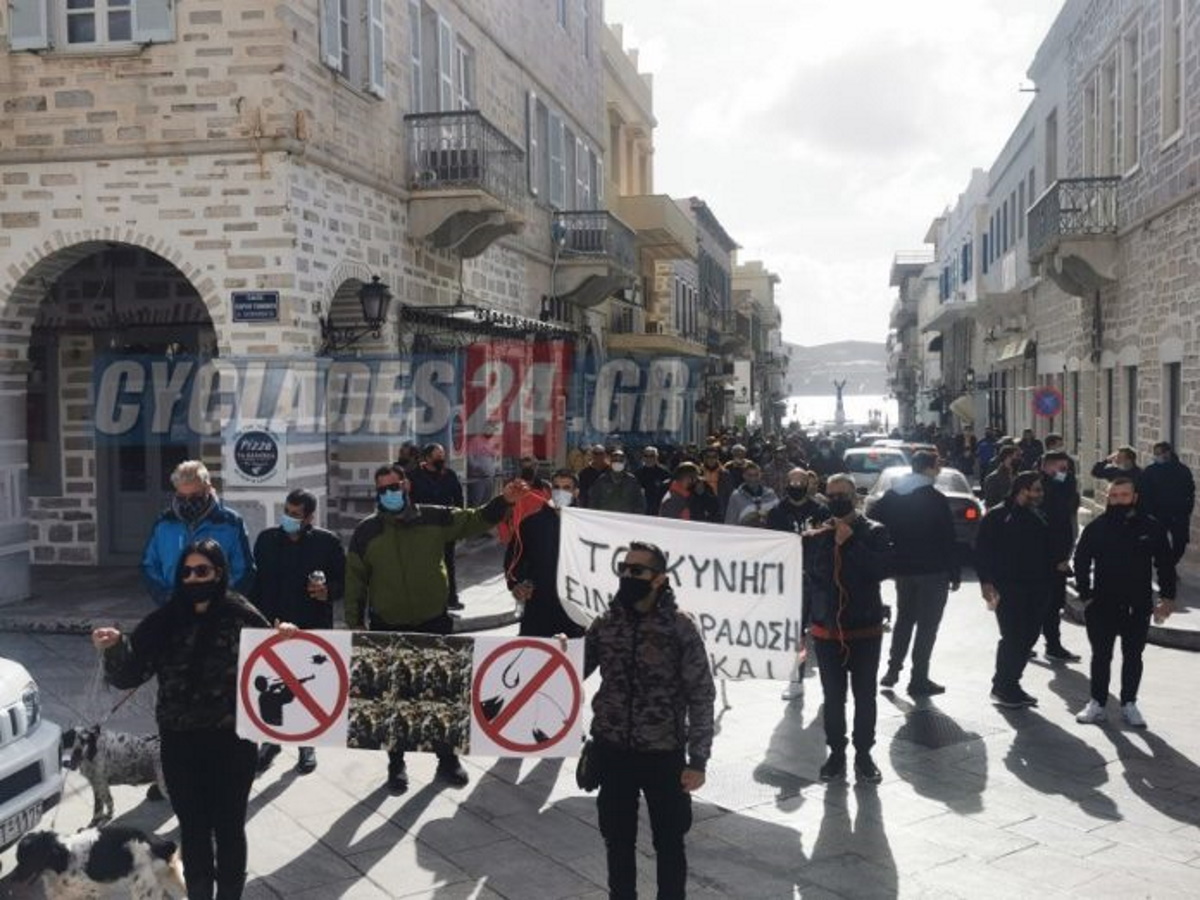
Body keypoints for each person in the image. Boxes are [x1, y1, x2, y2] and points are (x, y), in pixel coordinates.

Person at [93, 539, 284, 900]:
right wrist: (116, 646)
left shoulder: (240, 614)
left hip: (232, 741)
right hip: (180, 743)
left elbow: (279, 660)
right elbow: (129, 676)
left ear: (219, 573)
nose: (194, 578)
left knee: (229, 828)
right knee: (193, 829)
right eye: (187, 572)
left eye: (202, 571)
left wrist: (286, 634)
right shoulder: (165, 621)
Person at [345, 464, 525, 793]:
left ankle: (448, 760)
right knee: (393, 699)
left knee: (442, 694)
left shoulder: (433, 517)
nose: (389, 493)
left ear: (406, 485)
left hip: (433, 619)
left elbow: (474, 519)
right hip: (389, 625)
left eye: (394, 486)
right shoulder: (366, 532)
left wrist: (505, 501)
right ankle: (396, 765)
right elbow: (355, 579)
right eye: (382, 489)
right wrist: (355, 622)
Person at [584, 542, 715, 900]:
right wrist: (560, 650)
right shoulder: (606, 623)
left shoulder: (680, 627)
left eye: (637, 571)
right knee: (617, 841)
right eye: (624, 569)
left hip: (664, 754)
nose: (628, 576)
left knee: (670, 844)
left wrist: (698, 760)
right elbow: (572, 670)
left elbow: (701, 694)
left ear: (659, 580)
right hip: (613, 753)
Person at [249, 488, 346, 776]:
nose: (289, 518)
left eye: (295, 514)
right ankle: (270, 743)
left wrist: (327, 592)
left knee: (306, 689)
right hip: (272, 625)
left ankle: (307, 745)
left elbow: (343, 584)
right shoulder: (267, 540)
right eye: (287, 512)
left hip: (310, 625)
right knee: (270, 686)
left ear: (309, 517)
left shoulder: (327, 543)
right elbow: (258, 583)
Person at [804, 474, 893, 783]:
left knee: (865, 696)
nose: (837, 498)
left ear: (855, 497)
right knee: (833, 697)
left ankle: (864, 754)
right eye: (832, 494)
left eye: (843, 493)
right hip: (826, 632)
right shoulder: (817, 535)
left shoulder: (874, 531)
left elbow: (881, 569)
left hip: (864, 629)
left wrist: (850, 541)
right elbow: (810, 581)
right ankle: (836, 753)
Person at [1073, 477, 1177, 729]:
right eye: (1114, 495)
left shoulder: (1151, 527)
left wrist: (1167, 597)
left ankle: (1129, 703)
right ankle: (1097, 703)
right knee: (1101, 656)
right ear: (1109, 498)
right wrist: (1086, 594)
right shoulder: (1097, 527)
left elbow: (1164, 563)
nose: (1119, 499)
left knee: (1133, 656)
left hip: (1137, 603)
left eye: (1124, 495)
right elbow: (1081, 559)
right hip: (1102, 604)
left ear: (1135, 497)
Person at [870, 451, 960, 696]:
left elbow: (872, 522)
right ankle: (919, 679)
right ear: (929, 469)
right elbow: (948, 538)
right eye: (937, 465)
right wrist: (955, 571)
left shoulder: (893, 495)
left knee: (904, 620)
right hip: (933, 570)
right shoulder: (935, 498)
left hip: (904, 569)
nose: (940, 470)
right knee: (927, 626)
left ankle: (892, 671)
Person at [975, 472, 1056, 708]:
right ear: (1022, 490)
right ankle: (1002, 686)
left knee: (1029, 637)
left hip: (1038, 587)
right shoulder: (999, 515)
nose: (1040, 495)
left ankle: (1012, 684)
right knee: (1012, 637)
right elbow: (982, 550)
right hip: (1009, 588)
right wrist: (986, 582)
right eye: (1036, 490)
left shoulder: (1038, 514)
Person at [141, 460, 254, 607]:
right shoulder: (164, 523)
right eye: (182, 497)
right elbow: (149, 566)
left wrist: (222, 599)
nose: (188, 502)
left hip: (218, 609)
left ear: (207, 488)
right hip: (173, 606)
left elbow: (244, 570)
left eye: (195, 496)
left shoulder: (230, 523)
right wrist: (164, 596)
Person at [767, 468, 830, 700]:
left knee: (824, 630)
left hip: (819, 579)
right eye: (791, 480)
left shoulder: (820, 510)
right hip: (792, 580)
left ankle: (830, 680)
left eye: (800, 481)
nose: (795, 485)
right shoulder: (777, 512)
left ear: (808, 483)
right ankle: (796, 679)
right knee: (796, 632)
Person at [505, 469, 586, 639]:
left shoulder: (587, 527)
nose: (560, 492)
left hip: (574, 609)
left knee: (572, 661)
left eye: (566, 487)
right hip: (538, 605)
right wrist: (517, 585)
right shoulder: (531, 524)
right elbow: (513, 561)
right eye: (556, 487)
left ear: (576, 492)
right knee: (532, 657)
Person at [409, 443, 467, 611]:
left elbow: (458, 497)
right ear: (427, 458)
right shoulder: (413, 476)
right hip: (422, 527)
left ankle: (451, 598)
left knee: (448, 562)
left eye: (442, 455)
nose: (441, 458)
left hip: (445, 526)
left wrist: (459, 519)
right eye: (437, 455)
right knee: (422, 562)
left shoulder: (449, 475)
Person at [1036, 451, 1082, 663]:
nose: (1065, 473)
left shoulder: (1064, 485)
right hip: (1042, 557)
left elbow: (1069, 509)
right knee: (1038, 604)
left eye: (1066, 469)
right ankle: (1022, 642)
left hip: (1059, 557)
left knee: (1054, 605)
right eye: (1060, 469)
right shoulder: (1038, 488)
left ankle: (1053, 645)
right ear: (1046, 467)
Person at [1137, 441, 1195, 565]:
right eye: (1155, 453)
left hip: (1179, 514)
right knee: (1159, 542)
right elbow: (1143, 492)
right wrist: (1148, 511)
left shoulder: (1182, 470)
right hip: (1157, 514)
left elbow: (1190, 491)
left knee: (1180, 543)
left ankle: (1169, 564)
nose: (1156, 456)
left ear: (1168, 453)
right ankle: (1165, 568)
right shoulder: (1150, 471)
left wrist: (1187, 509)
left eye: (1159, 453)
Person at [588, 448, 646, 514]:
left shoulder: (632, 481)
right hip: (606, 519)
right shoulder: (601, 480)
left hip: (626, 519)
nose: (617, 462)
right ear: (610, 462)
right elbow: (593, 502)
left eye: (620, 460)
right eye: (615, 460)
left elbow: (639, 502)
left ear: (624, 462)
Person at [724, 462, 780, 527]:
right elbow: (730, 521)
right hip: (746, 535)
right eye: (749, 475)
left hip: (768, 534)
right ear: (744, 475)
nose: (753, 479)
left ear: (760, 475)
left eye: (756, 475)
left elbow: (779, 516)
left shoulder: (770, 494)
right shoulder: (736, 496)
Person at [698, 446, 734, 519]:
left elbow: (729, 494)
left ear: (718, 458)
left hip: (720, 510)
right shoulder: (698, 472)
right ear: (704, 458)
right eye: (708, 457)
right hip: (702, 510)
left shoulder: (725, 474)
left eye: (714, 457)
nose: (711, 459)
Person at [637, 446, 672, 515]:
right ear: (643, 457)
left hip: (659, 509)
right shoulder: (638, 473)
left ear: (657, 457)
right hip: (642, 509)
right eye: (646, 456)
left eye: (652, 456)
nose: (649, 458)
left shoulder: (664, 473)